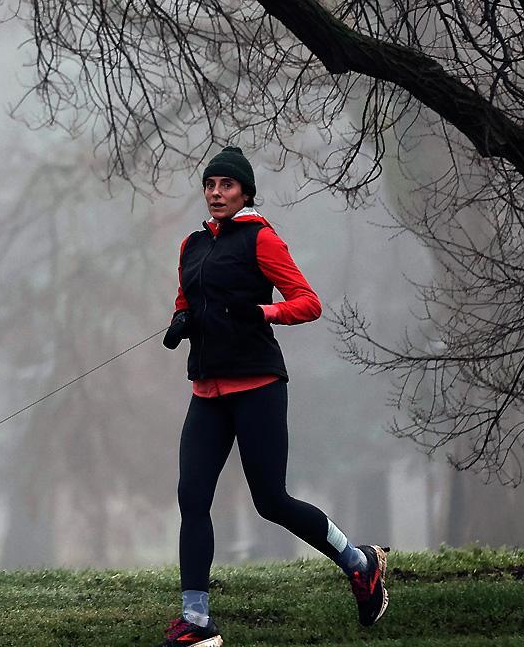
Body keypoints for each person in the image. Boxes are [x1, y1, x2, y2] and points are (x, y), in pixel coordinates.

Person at [159, 146, 388, 647]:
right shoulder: (192, 245)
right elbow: (187, 298)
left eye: (227, 185)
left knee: (271, 501)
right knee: (192, 497)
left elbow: (308, 303)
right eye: (210, 184)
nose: (216, 193)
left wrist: (262, 311)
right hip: (207, 388)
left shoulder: (261, 239)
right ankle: (196, 623)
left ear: (244, 192)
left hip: (258, 385)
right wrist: (182, 320)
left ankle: (359, 562)